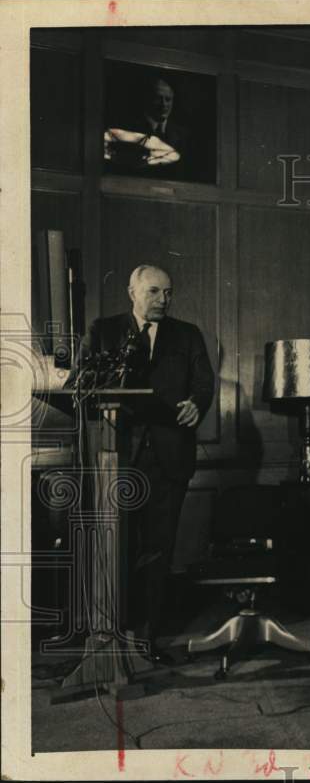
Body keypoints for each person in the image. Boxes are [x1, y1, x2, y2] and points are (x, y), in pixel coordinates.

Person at [72, 265, 215, 661]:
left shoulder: (187, 334)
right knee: (115, 548)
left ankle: (145, 638)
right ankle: (112, 633)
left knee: (158, 549)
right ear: (131, 292)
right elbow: (83, 382)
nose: (163, 300)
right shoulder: (104, 330)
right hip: (116, 455)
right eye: (154, 291)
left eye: (168, 293)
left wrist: (196, 404)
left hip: (169, 458)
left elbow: (204, 384)